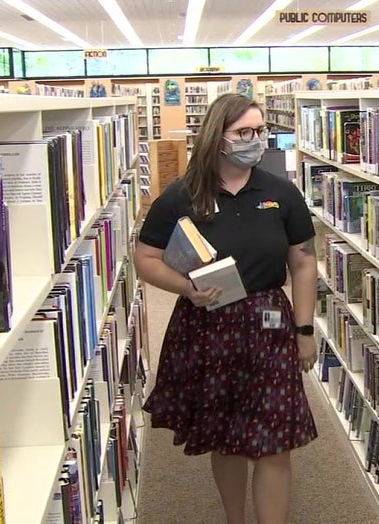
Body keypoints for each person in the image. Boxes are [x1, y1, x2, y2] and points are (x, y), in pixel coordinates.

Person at [134, 92, 319, 524]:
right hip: (207, 321)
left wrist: (305, 331)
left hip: (270, 321)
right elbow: (145, 258)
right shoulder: (181, 195)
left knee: (275, 438)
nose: (255, 139)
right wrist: (187, 287)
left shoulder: (281, 192)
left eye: (260, 130)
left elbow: (304, 261)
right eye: (244, 132)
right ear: (218, 137)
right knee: (226, 435)